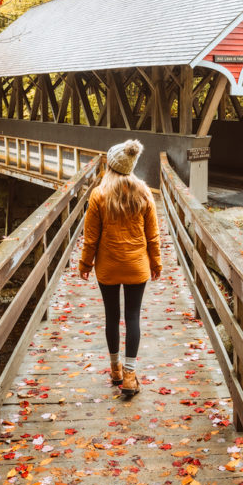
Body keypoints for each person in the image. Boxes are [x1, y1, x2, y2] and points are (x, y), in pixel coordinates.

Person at [78, 139, 162, 397]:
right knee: (133, 316)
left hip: (109, 266)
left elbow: (90, 236)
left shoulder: (99, 195)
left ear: (111, 165)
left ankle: (114, 369)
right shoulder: (144, 192)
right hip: (137, 266)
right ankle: (129, 375)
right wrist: (156, 262)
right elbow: (153, 235)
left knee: (112, 316)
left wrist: (85, 263)